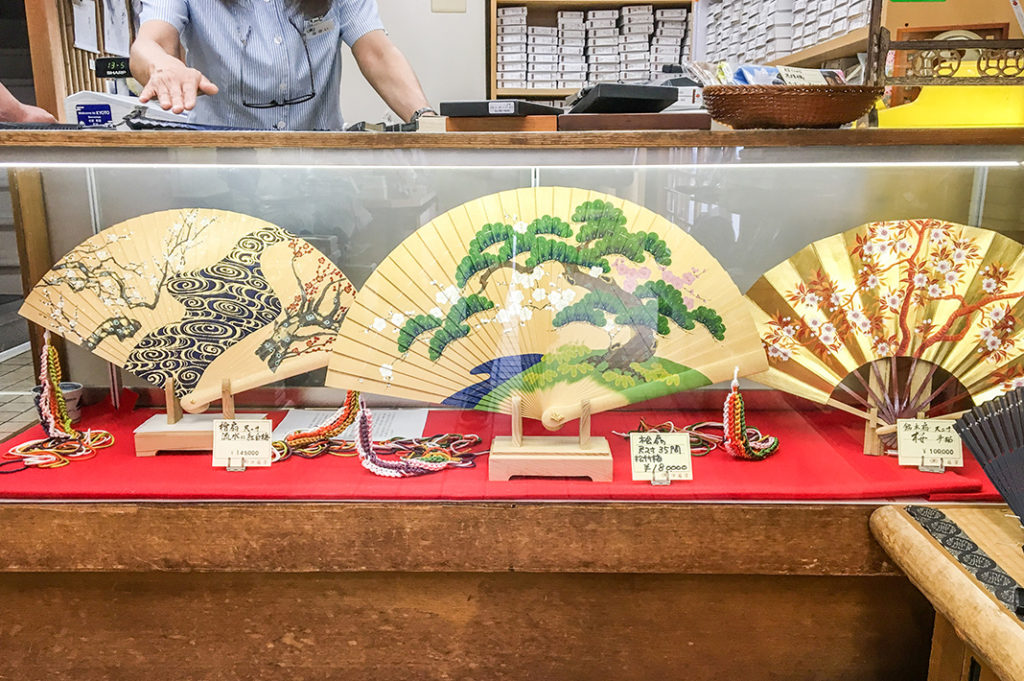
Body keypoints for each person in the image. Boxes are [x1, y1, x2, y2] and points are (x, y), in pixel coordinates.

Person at [130, 0, 436, 130]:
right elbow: (150, 44)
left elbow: (378, 53)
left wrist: (427, 119)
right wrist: (163, 66)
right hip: (222, 179)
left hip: (318, 177)